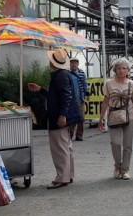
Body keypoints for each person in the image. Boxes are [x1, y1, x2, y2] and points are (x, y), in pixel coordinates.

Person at [27, 49, 82, 189]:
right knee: (66, 147)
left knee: (60, 148)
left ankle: (62, 177)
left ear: (54, 62)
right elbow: (60, 95)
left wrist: (62, 115)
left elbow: (65, 96)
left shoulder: (61, 76)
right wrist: (41, 89)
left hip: (59, 116)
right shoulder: (63, 74)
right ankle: (67, 175)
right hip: (63, 115)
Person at [97, 58, 133, 180]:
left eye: (124, 68)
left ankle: (125, 170)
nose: (121, 70)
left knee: (128, 145)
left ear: (128, 71)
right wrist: (101, 119)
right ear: (115, 70)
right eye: (119, 68)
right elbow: (105, 101)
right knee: (115, 143)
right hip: (113, 116)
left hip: (130, 116)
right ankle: (117, 166)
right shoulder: (109, 84)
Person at [68, 57, 88, 142]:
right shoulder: (67, 73)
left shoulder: (82, 73)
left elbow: (85, 83)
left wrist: (87, 93)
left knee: (81, 117)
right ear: (70, 64)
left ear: (78, 64)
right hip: (71, 99)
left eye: (75, 63)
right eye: (72, 63)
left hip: (80, 98)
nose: (73, 64)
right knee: (72, 117)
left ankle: (79, 135)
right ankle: (70, 135)